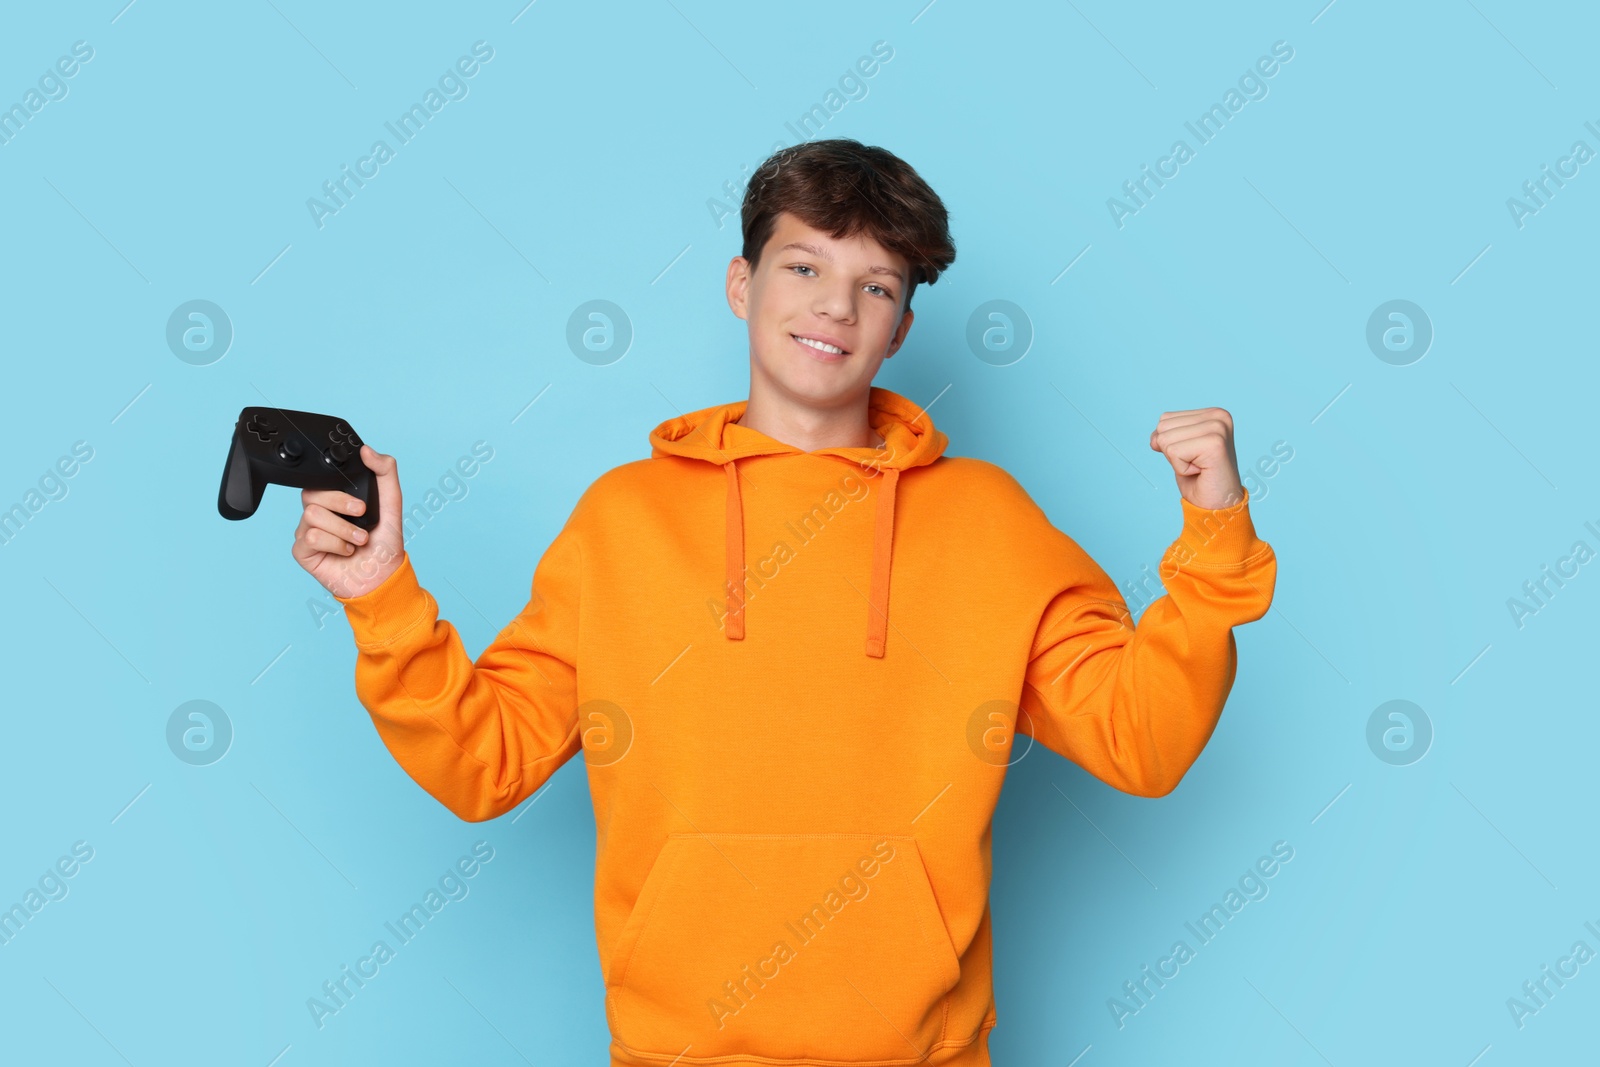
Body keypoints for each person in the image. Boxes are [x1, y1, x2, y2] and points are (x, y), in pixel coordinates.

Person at [292, 138, 1277, 1066]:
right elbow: (482, 761)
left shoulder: (990, 522)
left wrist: (1213, 525)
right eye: (804, 267)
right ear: (741, 285)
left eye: (875, 286)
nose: (837, 307)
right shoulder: (622, 519)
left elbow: (1143, 739)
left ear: (900, 328)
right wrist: (382, 597)